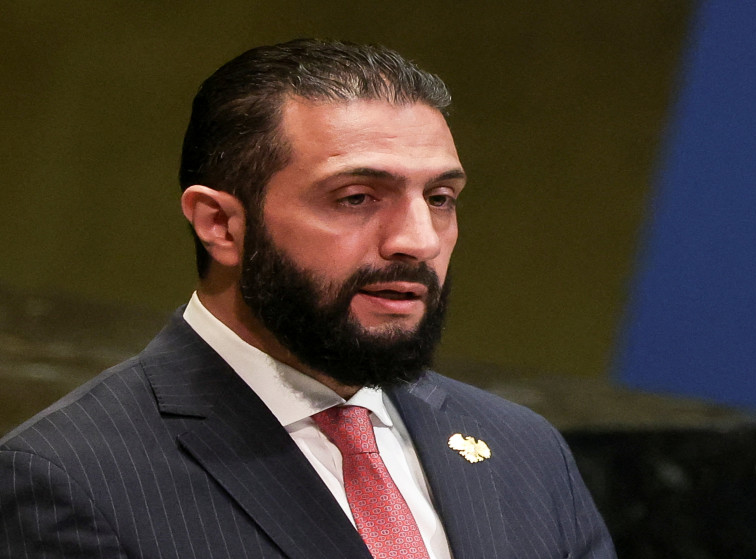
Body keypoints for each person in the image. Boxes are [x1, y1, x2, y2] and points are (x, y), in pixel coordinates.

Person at [0, 39, 616, 558]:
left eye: (439, 199)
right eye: (357, 198)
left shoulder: (524, 448)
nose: (419, 241)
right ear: (221, 225)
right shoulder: (68, 477)